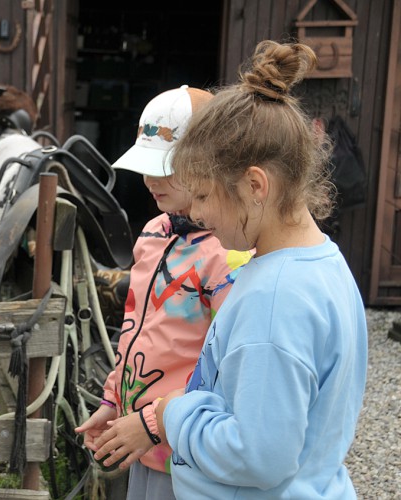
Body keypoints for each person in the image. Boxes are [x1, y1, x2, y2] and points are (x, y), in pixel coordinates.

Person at [91, 40, 368, 499]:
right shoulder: (325, 265)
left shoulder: (275, 300)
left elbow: (258, 456)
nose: (197, 215)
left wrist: (168, 416)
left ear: (254, 185)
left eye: (202, 196)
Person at [75, 85, 251, 499]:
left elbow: (227, 370)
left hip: (188, 451)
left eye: (166, 168)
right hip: (140, 440)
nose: (151, 181)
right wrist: (113, 400)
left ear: (212, 164)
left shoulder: (229, 255)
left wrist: (155, 424)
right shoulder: (154, 232)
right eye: (146, 166)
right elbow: (135, 328)